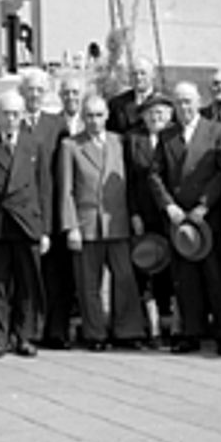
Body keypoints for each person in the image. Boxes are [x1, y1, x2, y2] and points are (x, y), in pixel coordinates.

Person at [150, 81, 221, 355]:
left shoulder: (219, 132)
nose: (184, 107)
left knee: (215, 277)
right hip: (179, 219)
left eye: (188, 101)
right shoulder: (167, 136)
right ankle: (191, 332)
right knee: (185, 279)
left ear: (199, 101)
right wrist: (168, 206)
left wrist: (203, 206)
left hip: (208, 217)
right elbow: (154, 174)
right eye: (179, 102)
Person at [59, 94, 145, 350]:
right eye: (89, 116)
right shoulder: (71, 146)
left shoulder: (120, 142)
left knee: (125, 278)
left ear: (107, 116)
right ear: (83, 118)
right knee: (89, 283)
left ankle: (127, 331)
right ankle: (95, 333)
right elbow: (66, 190)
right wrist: (71, 225)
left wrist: (134, 215)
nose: (94, 121)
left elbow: (128, 183)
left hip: (116, 220)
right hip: (86, 223)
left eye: (99, 115)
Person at [0, 90, 52, 358]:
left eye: (16, 114)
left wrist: (45, 230)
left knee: (28, 284)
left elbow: (44, 188)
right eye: (6, 114)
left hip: (27, 223)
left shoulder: (34, 144)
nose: (12, 119)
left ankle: (26, 336)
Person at [20, 67, 71, 349]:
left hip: (50, 206)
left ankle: (56, 331)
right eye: (30, 90)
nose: (35, 95)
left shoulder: (56, 124)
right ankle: (30, 331)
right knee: (29, 276)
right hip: (23, 210)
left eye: (40, 90)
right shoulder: (13, 121)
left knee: (55, 276)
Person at [124, 92, 176, 345]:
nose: (156, 117)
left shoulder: (175, 138)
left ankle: (172, 325)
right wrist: (133, 212)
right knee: (145, 269)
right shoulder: (133, 140)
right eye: (151, 113)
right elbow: (129, 181)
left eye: (161, 113)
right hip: (144, 214)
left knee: (171, 270)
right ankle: (151, 327)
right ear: (143, 117)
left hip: (171, 215)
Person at [107, 57, 157, 135]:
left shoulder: (165, 102)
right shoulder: (116, 104)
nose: (138, 77)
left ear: (153, 75)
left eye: (143, 73)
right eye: (134, 73)